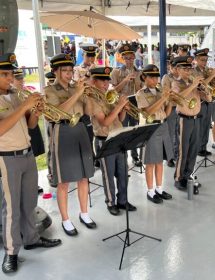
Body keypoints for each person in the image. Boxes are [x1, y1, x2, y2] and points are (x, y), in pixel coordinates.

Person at [0, 53, 61, 274]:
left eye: (11, 73)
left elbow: (31, 125)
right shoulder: (15, 99)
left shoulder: (15, 96)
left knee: (29, 202)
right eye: (4, 74)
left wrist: (36, 112)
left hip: (27, 155)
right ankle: (11, 252)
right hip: (7, 157)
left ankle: (32, 239)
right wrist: (25, 104)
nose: (10, 78)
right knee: (11, 208)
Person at [45, 53, 96, 236]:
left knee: (84, 176)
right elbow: (57, 113)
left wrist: (88, 95)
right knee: (64, 181)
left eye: (70, 70)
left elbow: (88, 112)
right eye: (64, 70)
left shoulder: (77, 87)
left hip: (81, 129)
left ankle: (84, 213)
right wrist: (78, 94)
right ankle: (66, 220)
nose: (68, 74)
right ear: (55, 71)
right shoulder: (49, 90)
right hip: (63, 131)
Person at [89, 67, 137, 215]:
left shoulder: (111, 95)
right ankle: (111, 202)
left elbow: (120, 119)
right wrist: (119, 106)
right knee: (108, 174)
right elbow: (104, 122)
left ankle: (123, 200)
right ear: (94, 81)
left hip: (119, 136)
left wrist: (124, 109)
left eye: (107, 80)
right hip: (105, 139)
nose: (105, 83)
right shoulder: (92, 99)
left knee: (123, 172)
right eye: (102, 80)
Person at [171, 56, 211, 191]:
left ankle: (187, 175)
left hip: (196, 119)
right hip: (184, 120)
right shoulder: (176, 83)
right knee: (183, 151)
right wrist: (193, 85)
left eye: (190, 68)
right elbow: (177, 97)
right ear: (178, 69)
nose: (188, 71)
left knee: (193, 150)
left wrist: (205, 89)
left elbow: (209, 99)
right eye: (185, 68)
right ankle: (178, 178)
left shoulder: (193, 82)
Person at [136, 64, 174, 204]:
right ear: (144, 77)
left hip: (162, 124)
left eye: (156, 76)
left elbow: (167, 113)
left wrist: (170, 101)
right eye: (151, 77)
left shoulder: (159, 91)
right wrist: (164, 99)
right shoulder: (141, 93)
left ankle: (159, 188)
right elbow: (148, 112)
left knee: (160, 161)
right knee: (151, 161)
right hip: (150, 127)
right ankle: (150, 191)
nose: (155, 79)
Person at [111, 44, 143, 166]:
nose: (129, 61)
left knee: (134, 130)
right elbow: (114, 92)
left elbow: (141, 91)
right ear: (122, 58)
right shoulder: (116, 72)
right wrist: (125, 80)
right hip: (122, 105)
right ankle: (122, 156)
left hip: (134, 103)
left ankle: (135, 156)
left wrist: (136, 82)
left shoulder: (139, 73)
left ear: (134, 57)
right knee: (123, 130)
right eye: (126, 58)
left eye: (131, 58)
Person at [192, 48, 215, 157]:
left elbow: (211, 84)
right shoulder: (194, 71)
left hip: (209, 100)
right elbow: (200, 85)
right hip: (200, 101)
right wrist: (212, 75)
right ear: (196, 60)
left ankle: (204, 147)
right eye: (202, 60)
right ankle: (198, 148)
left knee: (207, 125)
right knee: (200, 126)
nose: (205, 63)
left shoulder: (206, 70)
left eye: (206, 60)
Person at [161, 58, 179, 168]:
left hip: (181, 108)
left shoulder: (181, 78)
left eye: (179, 68)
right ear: (170, 68)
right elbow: (166, 94)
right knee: (170, 133)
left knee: (178, 133)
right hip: (171, 108)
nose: (177, 70)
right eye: (175, 68)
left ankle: (176, 153)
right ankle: (169, 157)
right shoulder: (166, 78)